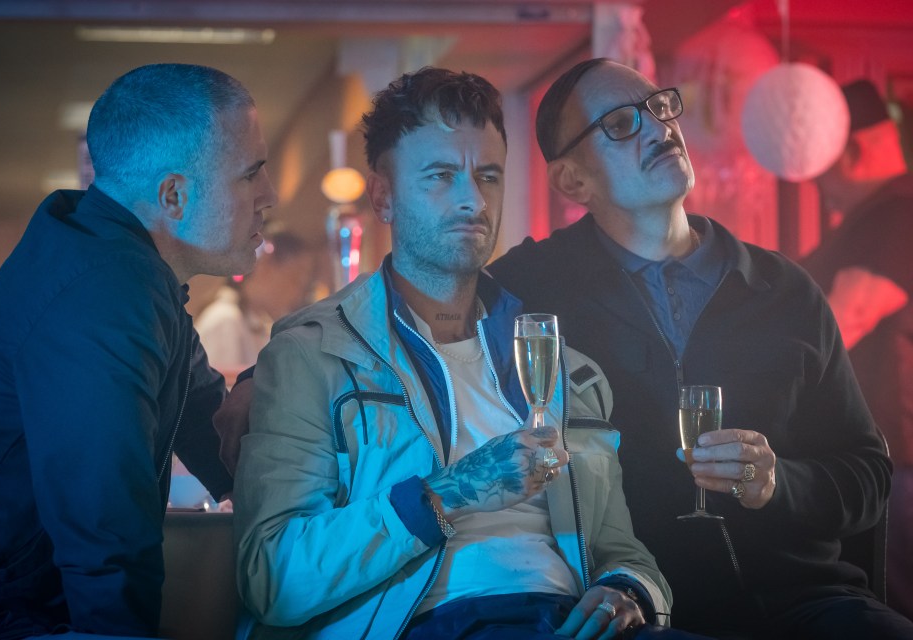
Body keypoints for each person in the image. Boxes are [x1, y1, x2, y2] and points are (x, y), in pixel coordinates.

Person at [235, 67, 706, 640]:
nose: (472, 200)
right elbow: (273, 578)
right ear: (383, 195)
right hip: (431, 623)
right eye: (439, 176)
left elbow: (619, 547)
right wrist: (449, 493)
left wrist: (630, 589)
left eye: (488, 176)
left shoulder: (566, 367)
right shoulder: (311, 355)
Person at [486, 58, 913, 639]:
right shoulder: (530, 290)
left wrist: (776, 483)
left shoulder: (784, 289)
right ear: (572, 182)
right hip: (648, 608)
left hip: (809, 599)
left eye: (660, 107)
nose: (660, 127)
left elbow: (866, 474)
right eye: (620, 123)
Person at [0, 63, 277, 638]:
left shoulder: (127, 272)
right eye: (252, 175)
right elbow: (105, 529)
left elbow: (211, 431)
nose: (269, 198)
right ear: (174, 195)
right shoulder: (103, 291)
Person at [801, 79, 913, 622]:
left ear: (853, 148)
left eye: (821, 160)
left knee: (891, 609)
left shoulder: (896, 216)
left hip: (897, 470)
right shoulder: (877, 216)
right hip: (879, 466)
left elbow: (841, 323)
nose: (817, 180)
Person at [196, 231, 314, 385]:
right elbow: (221, 399)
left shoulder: (260, 323)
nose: (299, 291)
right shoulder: (225, 320)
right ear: (265, 267)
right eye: (295, 277)